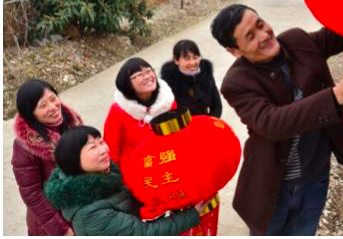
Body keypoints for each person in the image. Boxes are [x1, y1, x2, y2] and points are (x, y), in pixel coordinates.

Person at [210, 4, 343, 235]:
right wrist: (338, 95)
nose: (264, 36)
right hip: (272, 188)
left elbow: (342, 32)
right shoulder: (237, 83)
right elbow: (272, 123)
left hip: (314, 180)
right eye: (250, 36)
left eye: (260, 24)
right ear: (234, 50)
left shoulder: (297, 41)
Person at [44, 126, 206, 236]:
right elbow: (144, 233)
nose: (103, 150)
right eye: (93, 147)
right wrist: (192, 215)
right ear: (73, 160)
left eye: (101, 142)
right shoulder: (90, 213)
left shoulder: (102, 176)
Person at [12, 79, 83, 236]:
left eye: (53, 98)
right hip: (52, 224)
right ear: (30, 114)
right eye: (42, 105)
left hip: (79, 212)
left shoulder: (72, 123)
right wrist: (62, 230)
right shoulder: (24, 146)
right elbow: (32, 195)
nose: (52, 107)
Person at [104, 57, 176, 172]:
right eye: (140, 75)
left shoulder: (168, 102)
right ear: (128, 84)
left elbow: (178, 137)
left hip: (168, 167)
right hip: (136, 173)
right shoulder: (118, 111)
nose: (147, 77)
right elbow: (112, 152)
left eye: (148, 71)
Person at [160, 39, 222, 118]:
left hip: (207, 122)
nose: (192, 63)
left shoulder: (206, 73)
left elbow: (216, 105)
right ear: (176, 60)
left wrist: (210, 124)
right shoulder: (168, 82)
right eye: (187, 59)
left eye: (195, 57)